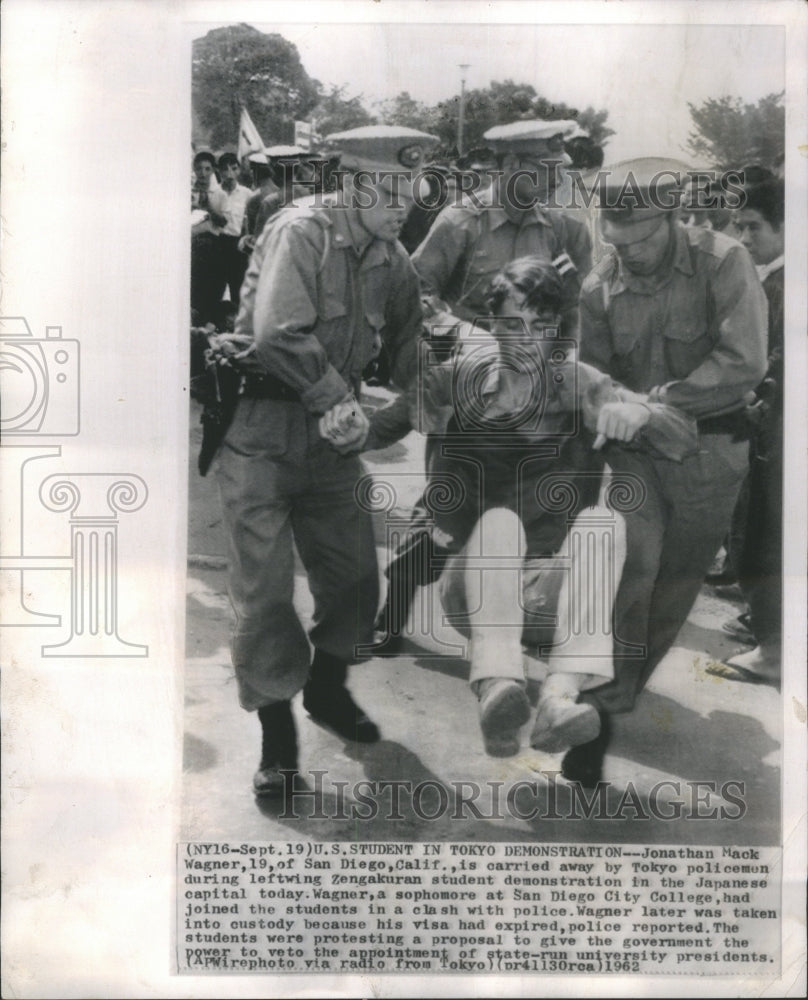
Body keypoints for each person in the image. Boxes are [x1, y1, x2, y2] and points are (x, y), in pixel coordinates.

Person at [210, 125, 437, 796]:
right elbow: (278, 330)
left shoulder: (391, 257)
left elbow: (408, 343)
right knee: (265, 596)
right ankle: (277, 738)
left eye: (412, 193)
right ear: (356, 183)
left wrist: (434, 389)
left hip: (331, 444)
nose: (404, 206)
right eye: (392, 191)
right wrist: (338, 398)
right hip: (264, 433)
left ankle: (327, 690)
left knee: (355, 582)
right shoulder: (300, 231)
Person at [416, 254, 700, 756]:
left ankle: (557, 699)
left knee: (602, 522)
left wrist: (639, 411)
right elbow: (406, 436)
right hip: (475, 588)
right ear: (491, 324)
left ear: (556, 332)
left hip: (549, 591)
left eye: (541, 326)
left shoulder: (578, 383)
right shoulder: (458, 384)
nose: (526, 338)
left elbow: (682, 439)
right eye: (512, 323)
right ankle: (497, 684)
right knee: (500, 523)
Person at [376, 119, 593, 644]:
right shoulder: (461, 222)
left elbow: (572, 310)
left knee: (530, 510)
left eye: (556, 171)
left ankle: (509, 623)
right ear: (511, 167)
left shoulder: (565, 230)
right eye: (542, 170)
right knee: (445, 508)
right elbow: (416, 294)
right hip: (471, 389)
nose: (552, 182)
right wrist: (472, 336)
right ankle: (392, 615)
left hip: (536, 397)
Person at [575, 157, 768, 727]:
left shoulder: (724, 262)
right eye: (617, 239)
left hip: (712, 453)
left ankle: (623, 686)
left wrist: (653, 404)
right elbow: (590, 370)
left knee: (675, 586)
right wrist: (612, 402)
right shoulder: (600, 284)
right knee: (632, 565)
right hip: (634, 457)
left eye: (638, 239)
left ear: (671, 220)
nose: (627, 251)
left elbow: (744, 361)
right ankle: (600, 698)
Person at [710, 175, 784, 686]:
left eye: (753, 226)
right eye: (738, 225)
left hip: (774, 432)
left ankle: (775, 648)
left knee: (760, 533)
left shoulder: (781, 284)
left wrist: (759, 392)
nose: (744, 236)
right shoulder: (772, 277)